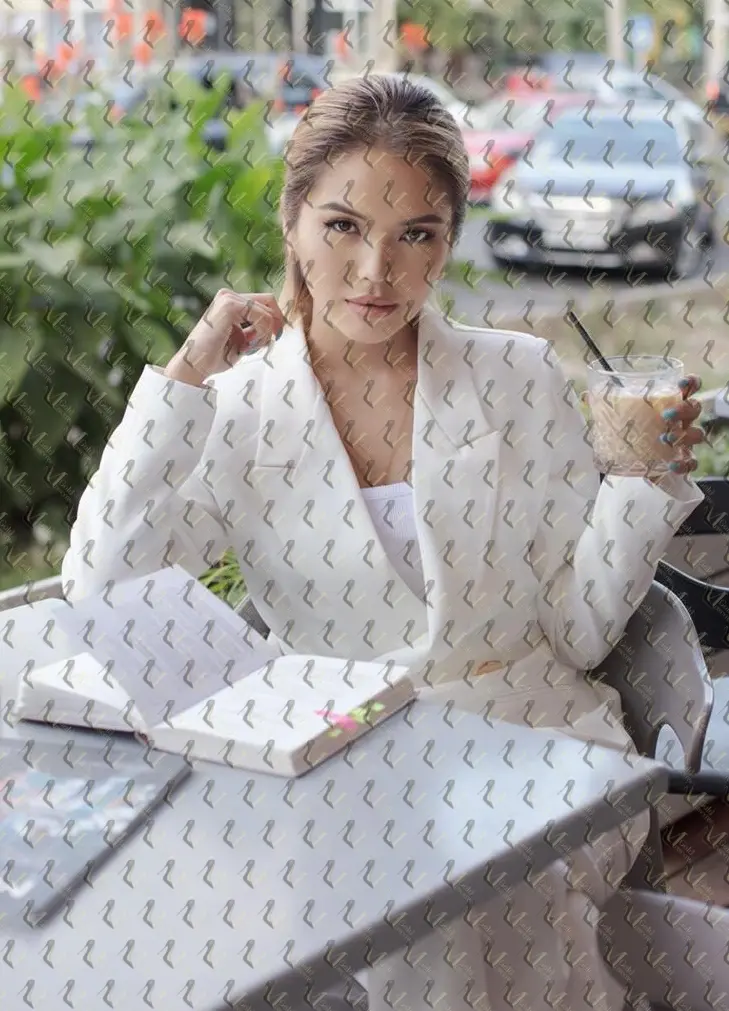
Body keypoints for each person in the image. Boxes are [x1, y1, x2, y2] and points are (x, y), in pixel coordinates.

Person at [61, 75, 706, 1011]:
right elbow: (100, 584)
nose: (375, 271)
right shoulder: (237, 410)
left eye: (416, 235)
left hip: (533, 741)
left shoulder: (515, 377)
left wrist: (641, 482)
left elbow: (578, 633)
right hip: (343, 774)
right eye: (343, 226)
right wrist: (186, 374)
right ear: (291, 223)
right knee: (401, 905)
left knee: (463, 899)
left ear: (447, 243)